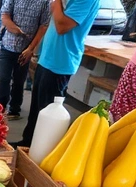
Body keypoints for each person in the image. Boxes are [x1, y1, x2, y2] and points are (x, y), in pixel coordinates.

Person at [15, 0, 101, 146]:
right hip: (48, 58)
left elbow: (62, 26)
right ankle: (27, 144)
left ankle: (41, 153)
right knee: (37, 108)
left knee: (48, 113)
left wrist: (57, 4)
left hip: (60, 62)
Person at [0, 0, 49, 120]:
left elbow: (43, 26)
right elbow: (4, 15)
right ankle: (1, 106)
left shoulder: (45, 2)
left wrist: (31, 49)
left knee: (19, 81)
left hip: (26, 49)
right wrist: (14, 29)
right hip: (7, 44)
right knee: (3, 78)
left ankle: (15, 109)